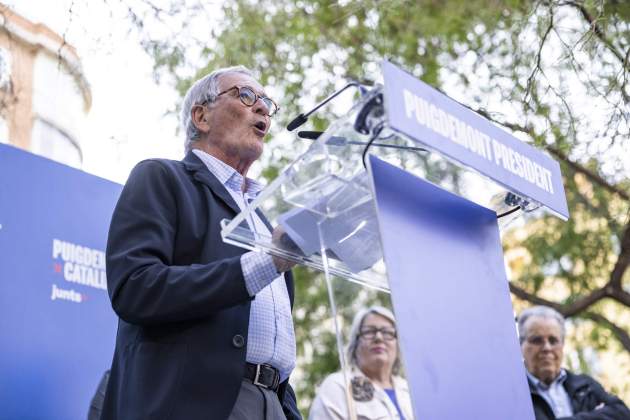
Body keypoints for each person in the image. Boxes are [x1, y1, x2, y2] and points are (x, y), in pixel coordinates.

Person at [100, 66, 301, 420]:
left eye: (267, 103)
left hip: (272, 403)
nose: (263, 109)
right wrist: (266, 263)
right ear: (202, 116)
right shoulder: (161, 178)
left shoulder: (265, 220)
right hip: (193, 405)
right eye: (246, 96)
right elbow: (135, 287)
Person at [518, 305, 630, 420]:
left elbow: (622, 414)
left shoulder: (585, 385)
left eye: (553, 340)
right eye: (537, 340)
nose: (547, 348)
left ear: (562, 345)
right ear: (520, 345)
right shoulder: (514, 395)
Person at [309, 306, 413, 420]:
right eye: (369, 331)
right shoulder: (338, 387)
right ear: (355, 344)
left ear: (397, 345)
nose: (378, 337)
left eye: (387, 332)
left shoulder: (411, 390)